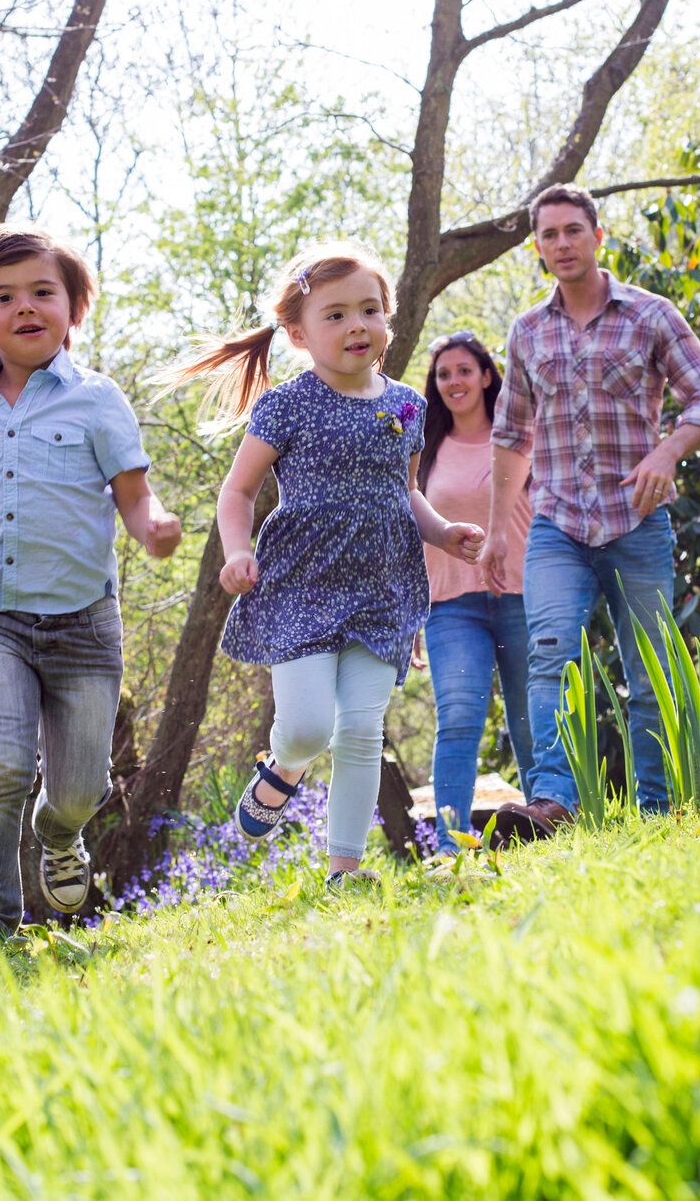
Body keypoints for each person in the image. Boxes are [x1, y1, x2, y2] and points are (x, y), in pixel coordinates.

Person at [164, 241, 484, 890]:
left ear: (388, 319)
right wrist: (237, 551)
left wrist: (444, 533)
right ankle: (283, 769)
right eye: (335, 315)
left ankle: (344, 869)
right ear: (298, 333)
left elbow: (406, 489)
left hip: (383, 587)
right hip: (300, 583)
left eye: (369, 310)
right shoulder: (286, 404)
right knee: (309, 729)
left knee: (361, 730)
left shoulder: (406, 406)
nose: (356, 326)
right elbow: (237, 492)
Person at [0, 223, 182, 951]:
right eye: (4, 297)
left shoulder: (98, 400)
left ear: (74, 308)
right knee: (0, 761)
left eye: (44, 292)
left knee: (78, 788)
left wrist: (155, 525)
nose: (26, 307)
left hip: (82, 622)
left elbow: (133, 495)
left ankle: (58, 833)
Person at [484, 183, 700, 835]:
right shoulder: (527, 332)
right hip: (556, 523)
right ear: (537, 248)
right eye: (548, 234)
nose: (561, 243)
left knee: (649, 671)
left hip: (636, 524)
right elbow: (510, 435)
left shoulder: (650, 316)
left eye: (571, 230)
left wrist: (667, 453)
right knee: (549, 658)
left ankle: (657, 810)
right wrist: (495, 535)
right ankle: (552, 804)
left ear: (597, 236)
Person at [416, 331, 534, 854]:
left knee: (531, 717)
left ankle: (547, 824)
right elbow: (411, 527)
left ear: (487, 376)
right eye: (444, 374)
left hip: (524, 594)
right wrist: (411, 610)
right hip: (451, 605)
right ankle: (451, 846)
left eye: (464, 370)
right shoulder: (425, 446)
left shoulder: (518, 435)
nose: (454, 382)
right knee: (459, 719)